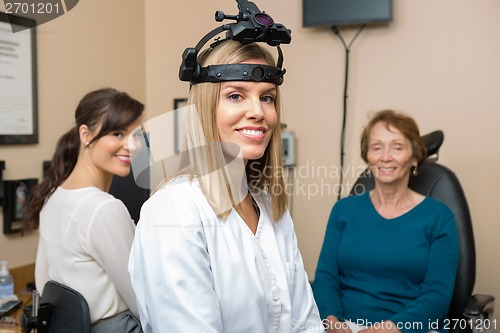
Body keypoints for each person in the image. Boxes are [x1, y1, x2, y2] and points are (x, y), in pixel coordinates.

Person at [128, 37, 323, 332]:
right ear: (206, 109)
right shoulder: (172, 212)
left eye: (267, 97)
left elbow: (305, 321)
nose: (258, 111)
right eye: (236, 96)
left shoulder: (271, 208)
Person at [313, 110, 460, 333]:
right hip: (344, 326)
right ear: (367, 155)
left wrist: (391, 328)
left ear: (414, 157)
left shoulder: (439, 217)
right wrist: (332, 321)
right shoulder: (343, 211)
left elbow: (437, 296)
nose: (385, 157)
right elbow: (326, 278)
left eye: (397, 147)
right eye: (377, 147)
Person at [24, 88, 144, 332]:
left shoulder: (53, 198)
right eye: (118, 133)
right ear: (85, 134)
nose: (132, 145)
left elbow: (44, 282)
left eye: (137, 135)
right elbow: (140, 296)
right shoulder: (103, 208)